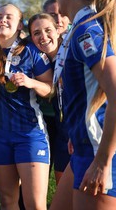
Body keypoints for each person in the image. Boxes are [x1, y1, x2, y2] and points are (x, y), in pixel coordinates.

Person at [49, 0, 116, 210]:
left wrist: (103, 161)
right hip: (86, 146)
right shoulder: (80, 28)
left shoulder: (87, 31)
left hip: (102, 152)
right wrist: (77, 131)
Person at [0, 4, 53, 209]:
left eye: (8, 17)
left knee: (34, 204)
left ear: (19, 25)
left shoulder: (31, 51)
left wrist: (31, 82)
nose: (2, 20)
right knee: (8, 201)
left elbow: (51, 89)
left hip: (29, 134)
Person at [28, 13, 71, 185]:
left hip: (80, 131)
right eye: (36, 33)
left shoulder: (72, 54)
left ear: (58, 30)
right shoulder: (38, 59)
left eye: (48, 30)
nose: (43, 37)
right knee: (64, 190)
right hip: (60, 130)